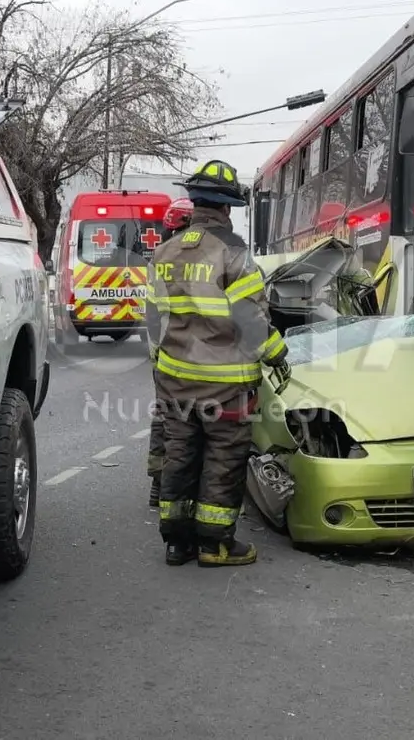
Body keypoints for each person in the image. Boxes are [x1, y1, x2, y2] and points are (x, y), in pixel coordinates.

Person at [145, 160, 290, 567]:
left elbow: (154, 322)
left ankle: (176, 543)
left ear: (194, 204)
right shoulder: (236, 255)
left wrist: (163, 365)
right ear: (227, 209)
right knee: (223, 460)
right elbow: (251, 322)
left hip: (175, 382)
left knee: (180, 456)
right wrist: (278, 354)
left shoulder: (164, 252)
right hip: (226, 387)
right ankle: (215, 545)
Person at [145, 197, 194, 507]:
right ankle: (182, 488)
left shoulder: (159, 259)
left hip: (162, 357)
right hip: (189, 357)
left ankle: (158, 486)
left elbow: (153, 314)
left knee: (165, 420)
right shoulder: (199, 259)